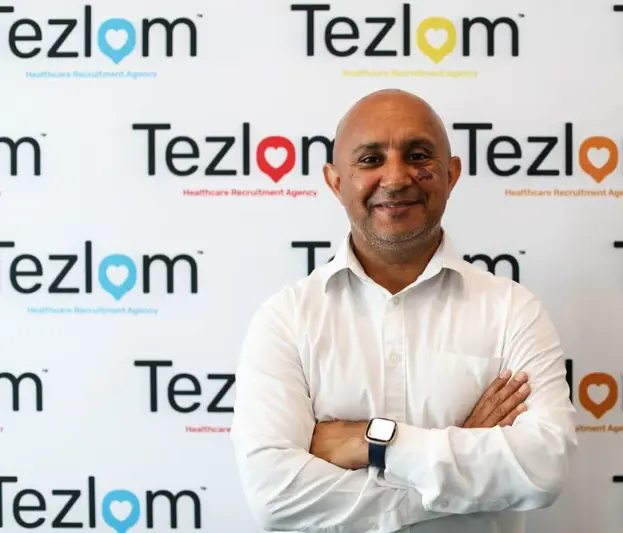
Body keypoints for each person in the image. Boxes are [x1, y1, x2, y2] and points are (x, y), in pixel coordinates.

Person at [230, 88, 578, 533]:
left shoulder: (512, 311)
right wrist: (461, 461)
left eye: (417, 156)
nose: (395, 178)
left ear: (451, 175)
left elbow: (543, 468)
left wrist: (375, 444)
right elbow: (276, 497)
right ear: (335, 182)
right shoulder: (286, 320)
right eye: (370, 159)